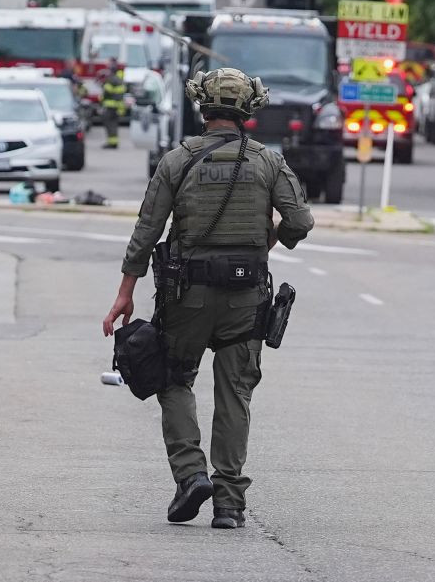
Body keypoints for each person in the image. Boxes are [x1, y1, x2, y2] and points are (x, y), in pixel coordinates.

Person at [102, 68, 314, 529]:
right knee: (235, 392)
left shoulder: (177, 161)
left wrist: (125, 293)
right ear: (249, 110)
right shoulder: (267, 162)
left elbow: (147, 230)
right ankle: (229, 502)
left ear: (202, 108)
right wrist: (266, 243)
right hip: (246, 297)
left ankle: (191, 474)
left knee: (174, 379)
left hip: (187, 296)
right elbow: (300, 221)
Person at [101, 59, 127, 149]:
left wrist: (104, 83)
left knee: (109, 125)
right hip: (117, 107)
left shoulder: (112, 80)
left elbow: (107, 92)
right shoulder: (119, 79)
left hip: (110, 107)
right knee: (114, 125)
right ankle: (113, 142)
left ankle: (111, 143)